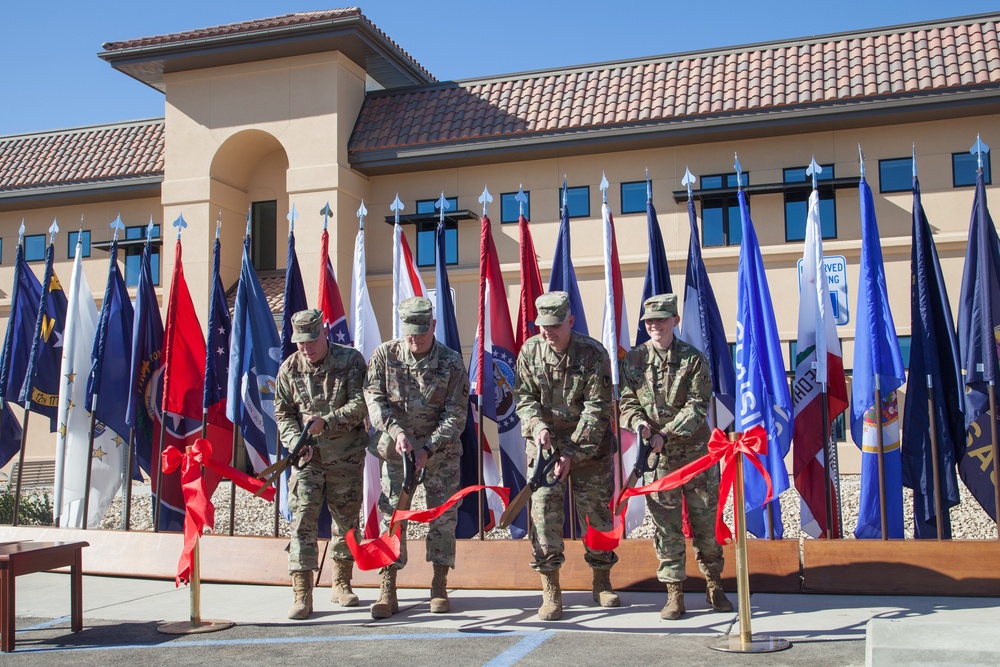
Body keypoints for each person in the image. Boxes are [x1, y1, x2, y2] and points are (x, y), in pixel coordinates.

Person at [618, 293, 733, 620]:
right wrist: (639, 425)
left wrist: (664, 434)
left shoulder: (693, 359)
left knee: (705, 528)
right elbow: (626, 403)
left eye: (662, 319)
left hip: (696, 457)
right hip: (659, 464)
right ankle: (674, 593)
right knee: (665, 530)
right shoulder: (635, 360)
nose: (655, 325)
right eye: (650, 321)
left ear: (675, 321)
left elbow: (698, 406)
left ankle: (714, 584)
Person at [514, 291, 620, 621]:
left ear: (570, 322)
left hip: (589, 449)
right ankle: (551, 590)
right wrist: (536, 427)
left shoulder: (593, 353)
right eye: (543, 326)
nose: (549, 332)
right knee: (544, 515)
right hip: (545, 449)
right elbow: (524, 398)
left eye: (556, 325)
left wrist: (572, 453)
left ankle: (602, 582)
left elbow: (598, 409)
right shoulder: (530, 351)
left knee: (597, 517)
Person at [363, 296, 470, 619]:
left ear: (433, 327)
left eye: (421, 334)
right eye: (409, 333)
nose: (414, 340)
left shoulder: (451, 363)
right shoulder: (385, 355)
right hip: (397, 453)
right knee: (393, 517)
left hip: (440, 455)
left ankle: (439, 585)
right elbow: (374, 399)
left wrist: (429, 448)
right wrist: (396, 432)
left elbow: (456, 414)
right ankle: (388, 587)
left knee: (442, 518)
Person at [274, 308, 370, 620]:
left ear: (324, 332)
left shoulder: (350, 361)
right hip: (308, 459)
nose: (306, 348)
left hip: (345, 455)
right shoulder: (289, 369)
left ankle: (341, 582)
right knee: (302, 519)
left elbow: (360, 404)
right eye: (300, 342)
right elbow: (283, 413)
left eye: (312, 340)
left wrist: (326, 422)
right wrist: (295, 442)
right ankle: (302, 592)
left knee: (346, 522)